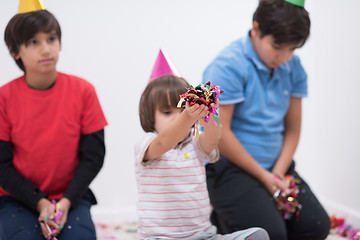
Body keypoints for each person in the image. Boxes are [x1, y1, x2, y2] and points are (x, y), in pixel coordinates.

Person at [202, 0, 331, 239]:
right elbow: (221, 135)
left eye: (291, 49)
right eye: (277, 46)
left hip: (276, 167)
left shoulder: (293, 67)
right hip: (231, 169)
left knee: (317, 226)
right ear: (256, 29)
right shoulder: (227, 66)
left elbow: (293, 129)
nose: (284, 57)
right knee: (269, 233)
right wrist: (265, 178)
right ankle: (221, 218)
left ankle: (255, 208)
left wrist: (278, 175)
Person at [134, 49, 269, 240]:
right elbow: (165, 141)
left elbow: (213, 138)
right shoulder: (147, 143)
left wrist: (209, 112)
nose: (176, 118)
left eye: (180, 110)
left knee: (258, 235)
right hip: (160, 236)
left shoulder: (194, 145)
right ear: (149, 116)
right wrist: (187, 116)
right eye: (166, 112)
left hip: (201, 235)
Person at [0, 1, 107, 239]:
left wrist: (66, 202)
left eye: (51, 39)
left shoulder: (84, 91)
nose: (46, 49)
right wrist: (40, 203)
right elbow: (2, 166)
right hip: (18, 198)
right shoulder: (4, 98)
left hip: (70, 196)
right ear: (15, 50)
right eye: (34, 42)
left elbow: (93, 156)